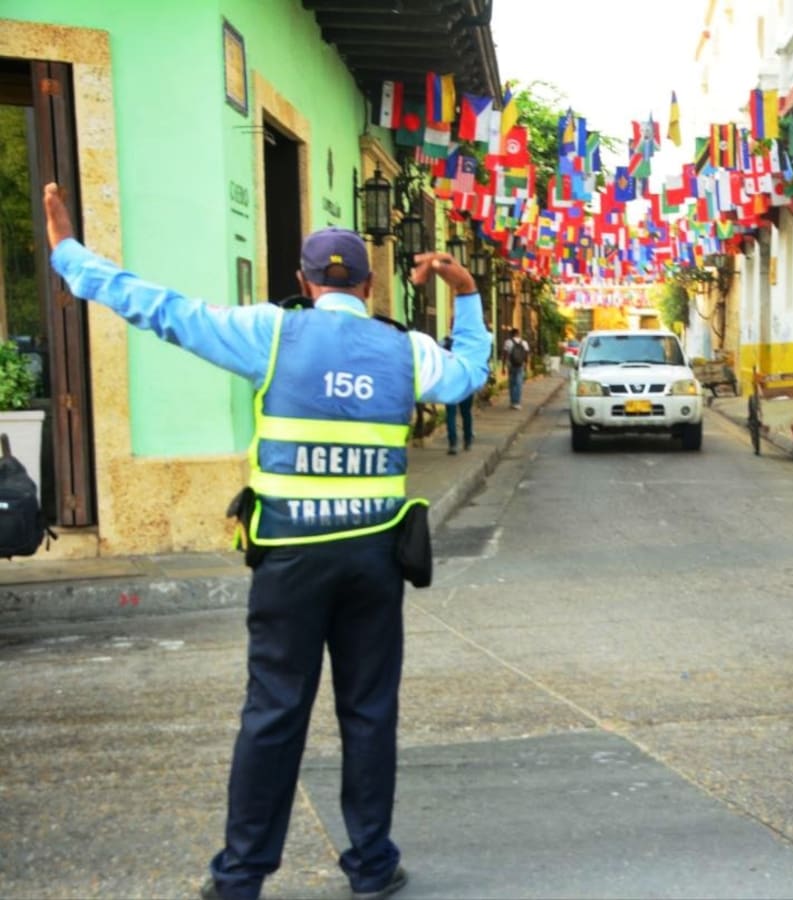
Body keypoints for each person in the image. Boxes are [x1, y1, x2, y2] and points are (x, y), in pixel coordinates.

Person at [42, 183, 491, 900]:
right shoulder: (405, 351)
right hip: (375, 558)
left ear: (304, 283)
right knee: (369, 712)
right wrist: (465, 294)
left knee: (275, 712)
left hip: (290, 559)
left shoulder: (269, 334)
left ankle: (242, 876)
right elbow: (470, 373)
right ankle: (372, 865)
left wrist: (70, 255)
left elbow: (161, 310)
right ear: (369, 283)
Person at [440, 335, 474, 454]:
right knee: (466, 413)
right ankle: (467, 441)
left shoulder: (444, 343)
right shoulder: (468, 344)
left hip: (450, 384)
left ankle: (453, 443)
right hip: (465, 383)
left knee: (451, 414)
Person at [502, 326, 530, 409]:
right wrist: (526, 365)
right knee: (518, 383)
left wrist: (503, 367)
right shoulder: (524, 342)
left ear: (511, 334)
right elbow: (526, 354)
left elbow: (504, 354)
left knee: (511, 383)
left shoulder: (508, 342)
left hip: (511, 365)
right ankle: (517, 403)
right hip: (520, 365)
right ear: (518, 334)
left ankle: (512, 402)